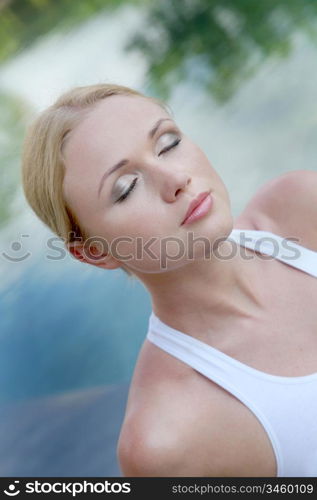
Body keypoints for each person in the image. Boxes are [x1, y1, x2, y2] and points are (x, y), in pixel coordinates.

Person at [21, 83, 317, 477]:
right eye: (126, 188)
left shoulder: (300, 206)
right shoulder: (168, 441)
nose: (175, 178)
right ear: (96, 252)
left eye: (168, 142)